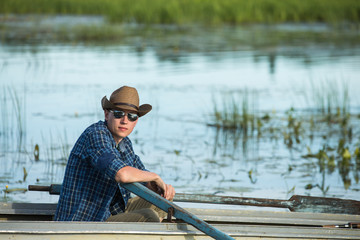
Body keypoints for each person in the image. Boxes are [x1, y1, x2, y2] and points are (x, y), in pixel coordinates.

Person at [54, 86, 175, 222]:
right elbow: (121, 174)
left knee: (162, 201)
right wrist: (154, 177)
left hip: (109, 213)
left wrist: (155, 186)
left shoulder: (125, 143)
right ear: (107, 114)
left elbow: (138, 173)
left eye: (131, 116)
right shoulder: (96, 134)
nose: (125, 120)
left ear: (136, 121)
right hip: (85, 221)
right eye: (118, 113)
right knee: (149, 216)